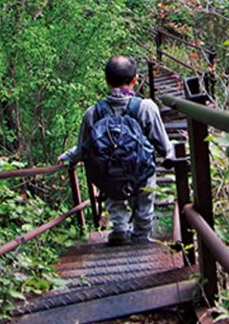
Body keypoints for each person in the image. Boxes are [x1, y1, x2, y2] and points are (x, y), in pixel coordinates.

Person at [60, 55, 174, 246]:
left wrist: (68, 158)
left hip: (109, 176)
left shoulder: (93, 113)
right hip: (140, 172)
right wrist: (172, 155)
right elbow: (163, 145)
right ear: (135, 79)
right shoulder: (146, 107)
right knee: (145, 197)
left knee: (109, 183)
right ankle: (141, 235)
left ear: (106, 80)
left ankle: (120, 229)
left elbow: (82, 149)